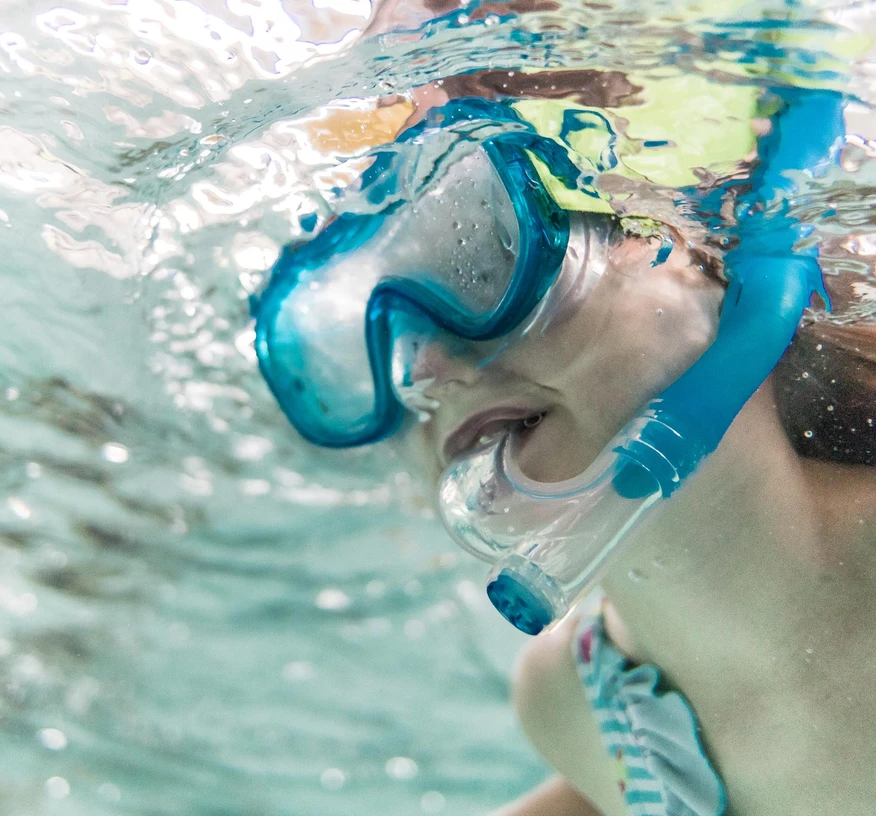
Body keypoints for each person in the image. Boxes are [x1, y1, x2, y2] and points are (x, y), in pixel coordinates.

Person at [253, 25, 876, 816]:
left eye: (484, 265)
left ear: (712, 263)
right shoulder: (574, 711)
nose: (425, 372)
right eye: (362, 348)